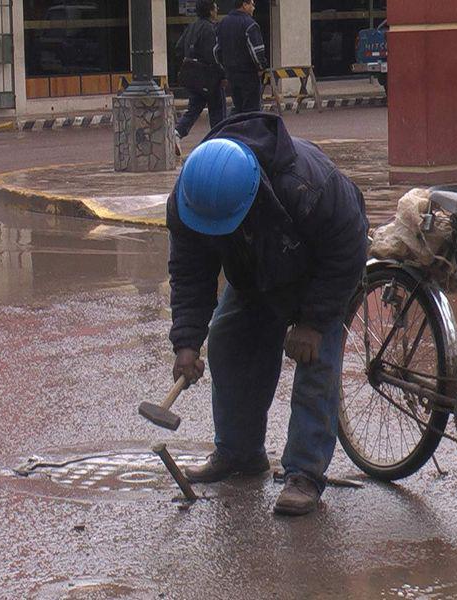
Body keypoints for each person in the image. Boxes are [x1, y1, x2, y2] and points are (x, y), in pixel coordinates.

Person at [166, 112, 368, 516]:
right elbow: (190, 273)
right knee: (227, 340)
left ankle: (305, 474)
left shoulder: (308, 186)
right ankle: (240, 453)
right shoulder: (192, 195)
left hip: (320, 275)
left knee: (315, 363)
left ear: (253, 195)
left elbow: (348, 251)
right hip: (257, 273)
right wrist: (187, 341)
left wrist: (312, 322)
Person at [173, 0, 227, 156]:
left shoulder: (191, 27)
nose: (217, 9)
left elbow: (178, 48)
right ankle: (218, 142)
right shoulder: (210, 29)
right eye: (215, 6)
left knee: (194, 108)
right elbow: (214, 56)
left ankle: (177, 132)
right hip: (210, 78)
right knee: (217, 111)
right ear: (210, 11)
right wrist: (223, 74)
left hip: (194, 78)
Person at [215, 0, 268, 114]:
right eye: (252, 4)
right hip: (248, 74)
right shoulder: (250, 24)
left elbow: (217, 50)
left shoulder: (223, 23)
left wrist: (225, 67)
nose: (253, 8)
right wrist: (261, 67)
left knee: (238, 108)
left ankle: (236, 130)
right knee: (252, 110)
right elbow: (257, 50)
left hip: (232, 74)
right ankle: (249, 131)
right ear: (244, 5)